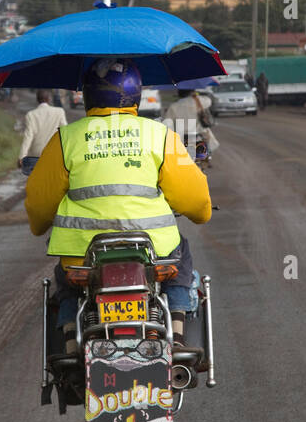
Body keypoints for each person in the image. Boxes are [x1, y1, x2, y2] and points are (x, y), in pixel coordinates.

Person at [25, 58, 211, 356]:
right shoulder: (160, 135)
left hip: (83, 256)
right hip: (154, 250)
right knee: (181, 258)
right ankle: (176, 331)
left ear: (87, 94)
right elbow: (196, 201)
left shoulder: (65, 139)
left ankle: (72, 342)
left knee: (66, 281)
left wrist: (40, 225)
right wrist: (200, 213)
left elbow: (38, 202)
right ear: (135, 95)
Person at [17, 90, 68, 176]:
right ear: (49, 99)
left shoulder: (31, 115)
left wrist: (22, 157)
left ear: (37, 100)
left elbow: (28, 136)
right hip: (55, 154)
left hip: (36, 156)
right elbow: (65, 133)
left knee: (38, 181)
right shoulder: (59, 112)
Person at [164, 88, 217, 166]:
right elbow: (209, 101)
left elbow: (167, 123)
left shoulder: (174, 106)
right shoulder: (198, 101)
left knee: (183, 163)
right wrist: (196, 96)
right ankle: (206, 159)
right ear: (192, 92)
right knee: (203, 152)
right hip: (198, 136)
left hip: (182, 138)